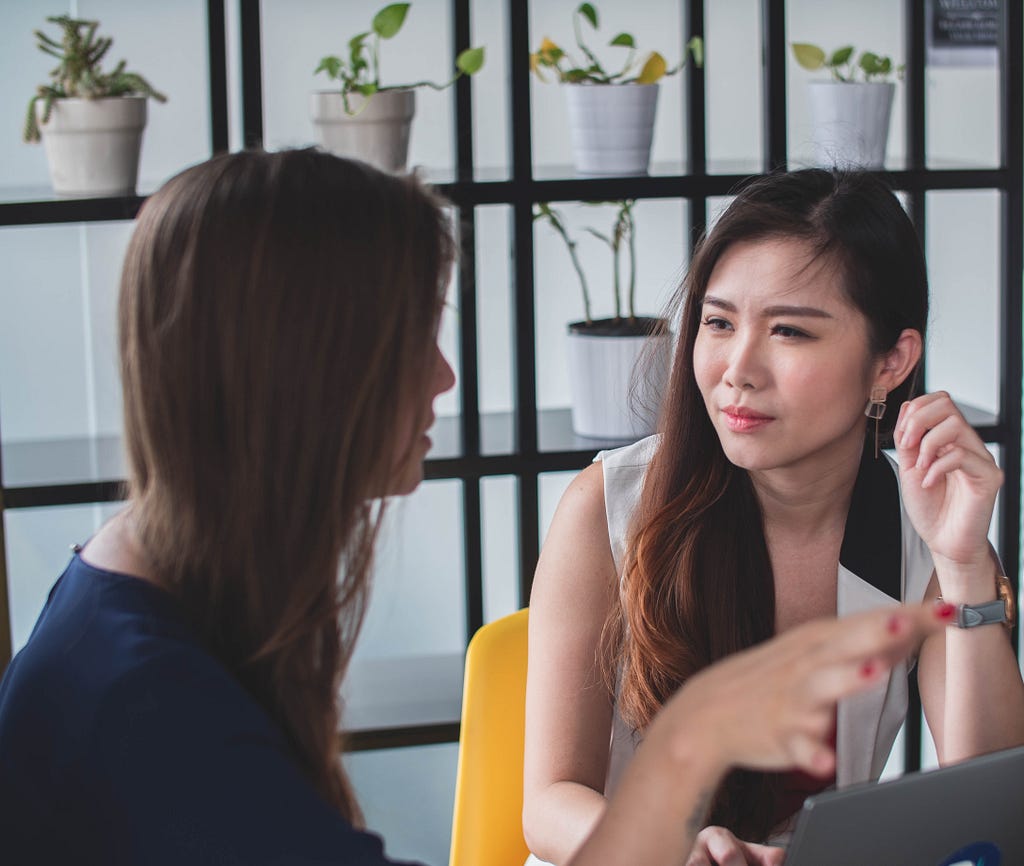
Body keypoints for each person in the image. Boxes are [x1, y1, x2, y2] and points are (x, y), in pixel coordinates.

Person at [0, 150, 952, 866]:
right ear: (300, 377)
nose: (446, 378)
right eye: (412, 338)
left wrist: (969, 563)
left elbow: (985, 802)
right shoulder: (151, 705)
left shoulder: (140, 608)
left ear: (890, 359)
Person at [523, 169, 1024, 866]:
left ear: (891, 362)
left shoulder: (925, 537)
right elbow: (549, 799)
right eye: (720, 322)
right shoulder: (611, 507)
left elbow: (986, 818)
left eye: (789, 330)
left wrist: (966, 564)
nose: (738, 368)